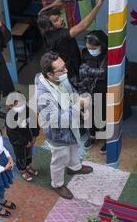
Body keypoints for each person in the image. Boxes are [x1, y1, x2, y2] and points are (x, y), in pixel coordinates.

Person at [35, 51, 93, 200]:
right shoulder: (43, 95)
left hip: (71, 125)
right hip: (58, 133)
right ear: (49, 74)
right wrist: (78, 105)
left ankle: (74, 168)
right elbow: (56, 121)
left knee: (75, 147)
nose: (66, 71)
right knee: (60, 159)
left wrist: (80, 111)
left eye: (64, 67)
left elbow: (72, 93)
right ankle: (58, 184)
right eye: (61, 69)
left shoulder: (61, 78)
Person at [37, 0, 106, 87]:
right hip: (70, 72)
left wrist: (55, 3)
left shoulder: (45, 30)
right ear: (50, 26)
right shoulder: (60, 36)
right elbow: (83, 26)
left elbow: (40, 13)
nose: (61, 19)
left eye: (59, 17)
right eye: (56, 20)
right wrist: (99, 3)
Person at [76, 30, 108, 154]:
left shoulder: (109, 55)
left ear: (102, 45)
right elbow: (81, 67)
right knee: (90, 115)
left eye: (94, 48)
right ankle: (92, 136)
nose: (91, 50)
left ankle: (107, 140)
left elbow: (105, 73)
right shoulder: (85, 53)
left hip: (105, 90)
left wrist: (87, 70)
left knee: (105, 116)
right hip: (89, 89)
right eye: (89, 47)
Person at [5, 92, 40, 182]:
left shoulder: (27, 110)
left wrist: (35, 135)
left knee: (29, 154)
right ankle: (22, 170)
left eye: (22, 102)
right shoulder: (10, 118)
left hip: (29, 138)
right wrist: (25, 142)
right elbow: (13, 134)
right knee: (21, 157)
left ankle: (28, 166)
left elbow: (34, 121)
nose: (21, 105)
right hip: (18, 143)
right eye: (17, 104)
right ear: (10, 106)